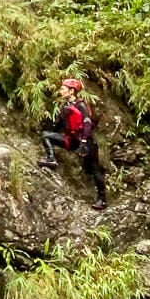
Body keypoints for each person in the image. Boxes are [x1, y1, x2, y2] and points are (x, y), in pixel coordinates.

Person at [39, 77, 106, 210]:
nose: (61, 91)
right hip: (72, 141)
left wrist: (85, 141)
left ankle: (102, 200)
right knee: (45, 135)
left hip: (85, 142)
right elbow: (58, 124)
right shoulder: (65, 106)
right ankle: (51, 159)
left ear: (71, 91)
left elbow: (87, 122)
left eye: (63, 89)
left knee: (93, 169)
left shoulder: (81, 105)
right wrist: (51, 132)